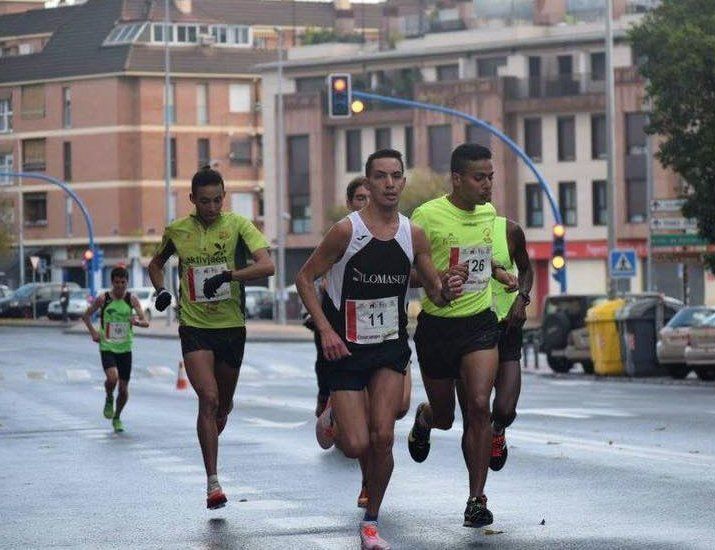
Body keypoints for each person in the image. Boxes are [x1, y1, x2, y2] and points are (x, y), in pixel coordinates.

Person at [297, 149, 463, 550]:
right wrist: (326, 332)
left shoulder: (413, 234)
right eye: (381, 177)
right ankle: (334, 412)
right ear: (368, 184)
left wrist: (448, 288)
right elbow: (305, 278)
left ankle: (371, 523)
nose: (390, 184)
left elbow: (435, 294)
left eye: (396, 176)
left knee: (383, 437)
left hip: (389, 347)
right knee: (355, 444)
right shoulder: (345, 231)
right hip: (346, 349)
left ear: (403, 183)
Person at [148, 166, 274, 510]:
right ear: (192, 200)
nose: (213, 207)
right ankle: (212, 483)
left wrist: (228, 276)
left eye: (218, 199)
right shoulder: (178, 230)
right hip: (194, 325)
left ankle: (221, 413)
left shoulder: (238, 227)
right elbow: (155, 264)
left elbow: (268, 266)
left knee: (223, 403)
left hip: (231, 326)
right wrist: (161, 291)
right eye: (205, 201)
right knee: (208, 397)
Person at [408, 143, 512, 528]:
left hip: (479, 325)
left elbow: (481, 258)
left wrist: (499, 272)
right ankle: (424, 418)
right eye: (479, 178)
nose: (488, 186)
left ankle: (476, 499)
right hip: (437, 326)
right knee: (446, 416)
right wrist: (437, 282)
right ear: (456, 179)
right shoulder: (427, 216)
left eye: (491, 177)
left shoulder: (488, 213)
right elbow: (407, 271)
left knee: (479, 405)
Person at [459, 216, 532, 471]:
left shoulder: (509, 230)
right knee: (472, 415)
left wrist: (522, 301)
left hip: (506, 325)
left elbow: (526, 269)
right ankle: (475, 496)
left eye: (487, 179)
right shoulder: (453, 228)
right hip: (468, 326)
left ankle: (498, 430)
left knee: (504, 409)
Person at [310, 177, 371, 417]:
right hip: (336, 311)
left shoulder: (393, 231)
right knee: (329, 360)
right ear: (349, 202)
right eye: (360, 198)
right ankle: (327, 397)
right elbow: (312, 274)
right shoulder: (342, 232)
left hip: (372, 320)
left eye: (368, 197)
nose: (365, 202)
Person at [81, 267, 150, 433]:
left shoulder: (131, 299)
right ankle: (109, 397)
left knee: (124, 389)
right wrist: (94, 332)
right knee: (112, 378)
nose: (120, 286)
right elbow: (86, 316)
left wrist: (136, 322)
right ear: (112, 282)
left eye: (123, 282)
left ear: (127, 282)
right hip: (107, 346)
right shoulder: (103, 299)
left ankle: (117, 416)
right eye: (117, 282)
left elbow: (145, 322)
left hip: (125, 348)